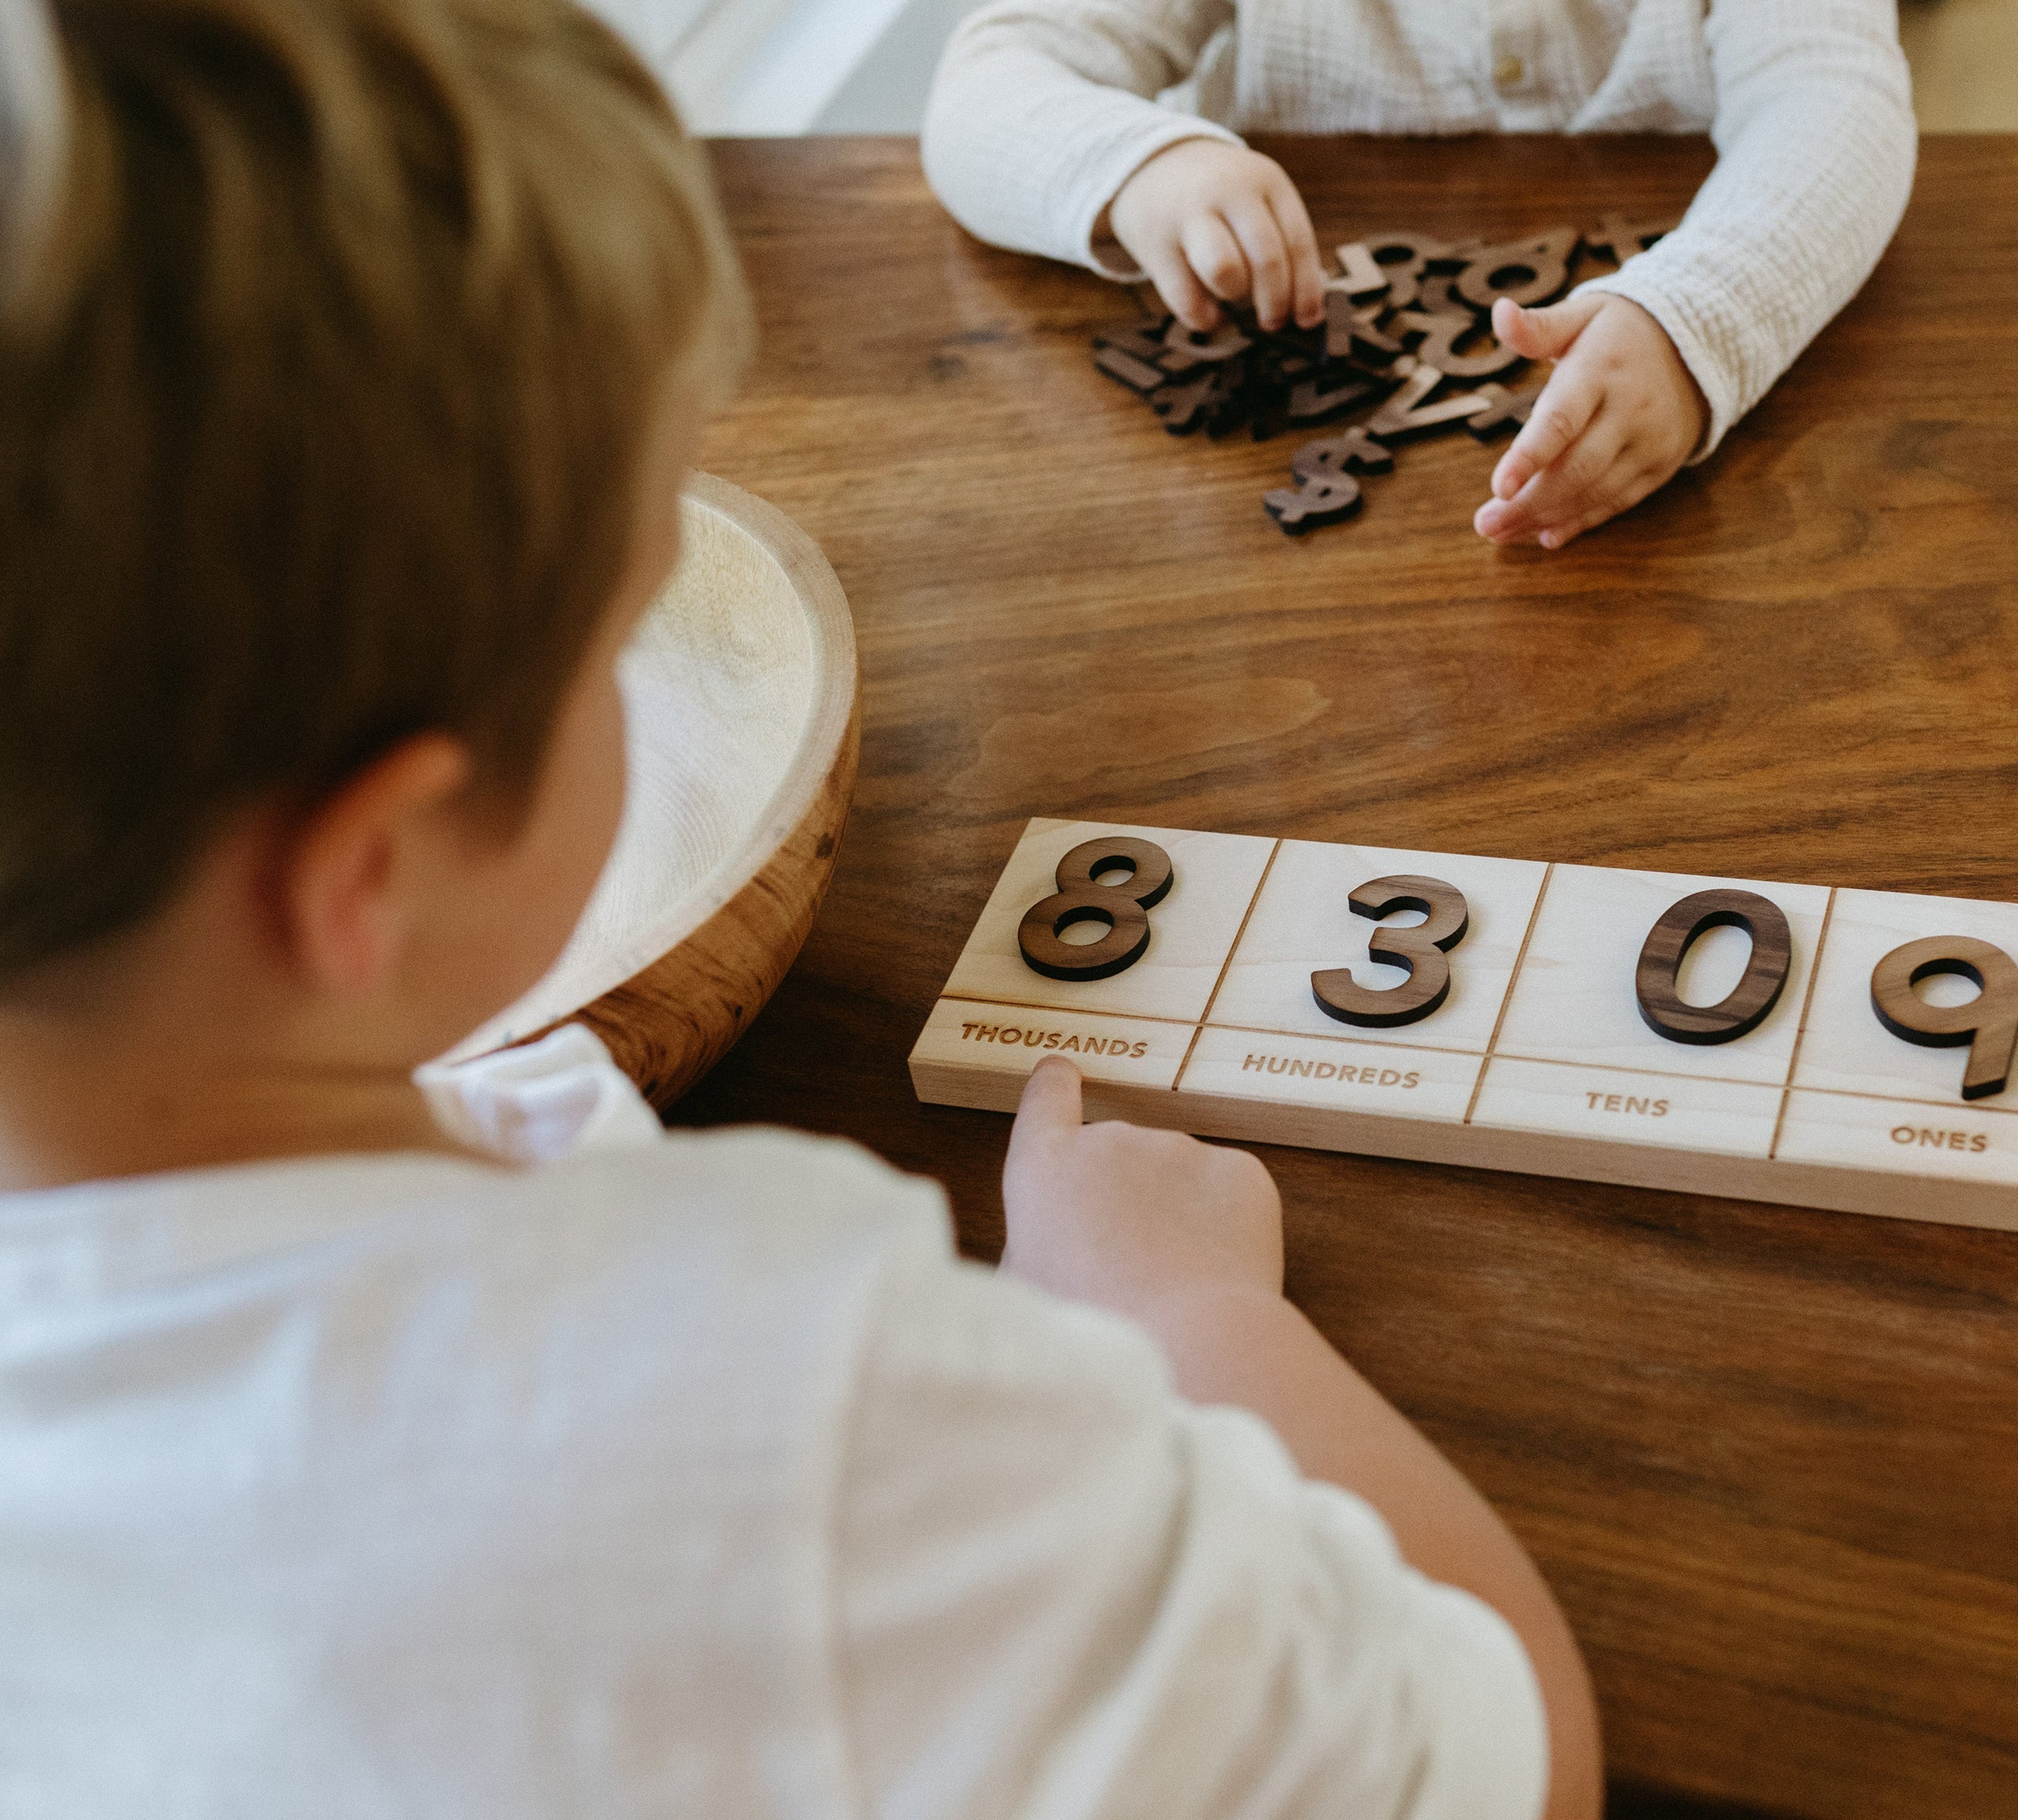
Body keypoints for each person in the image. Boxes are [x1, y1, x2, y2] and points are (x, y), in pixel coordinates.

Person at [0, 0, 1600, 1814]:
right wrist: (1178, 1312)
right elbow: (1501, 1753)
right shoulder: (800, 1404)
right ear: (369, 866)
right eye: (626, 627)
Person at [920, 0, 1916, 549]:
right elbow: (988, 83)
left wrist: (1700, 313)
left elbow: (1837, 102)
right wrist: (1138, 162)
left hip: (1673, 455)